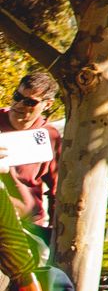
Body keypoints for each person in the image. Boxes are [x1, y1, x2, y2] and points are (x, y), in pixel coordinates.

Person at [0, 75, 60, 238]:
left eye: (30, 102)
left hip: (29, 228)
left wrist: (56, 230)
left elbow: (58, 188)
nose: (19, 104)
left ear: (47, 104)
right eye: (17, 97)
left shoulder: (50, 136)